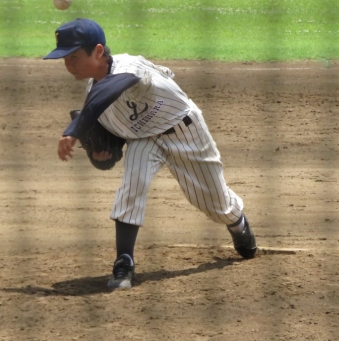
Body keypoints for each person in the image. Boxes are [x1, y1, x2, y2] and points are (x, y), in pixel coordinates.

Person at [44, 18, 257, 290]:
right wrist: (102, 154)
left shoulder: (129, 68)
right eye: (65, 59)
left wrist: (75, 128)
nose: (68, 64)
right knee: (132, 185)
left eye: (74, 57)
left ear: (97, 51)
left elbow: (111, 88)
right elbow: (114, 137)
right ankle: (124, 262)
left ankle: (237, 222)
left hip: (184, 131)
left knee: (215, 204)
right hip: (144, 140)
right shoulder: (93, 95)